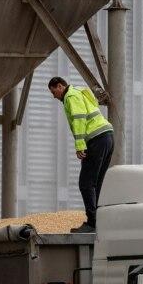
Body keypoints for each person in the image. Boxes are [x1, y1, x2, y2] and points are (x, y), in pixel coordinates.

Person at [48, 76, 113, 233]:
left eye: (53, 91)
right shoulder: (79, 91)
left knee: (86, 183)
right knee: (97, 183)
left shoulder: (70, 96)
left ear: (60, 86)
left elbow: (79, 119)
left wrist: (79, 145)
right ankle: (100, 222)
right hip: (107, 136)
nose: (54, 96)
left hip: (96, 138)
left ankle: (92, 223)